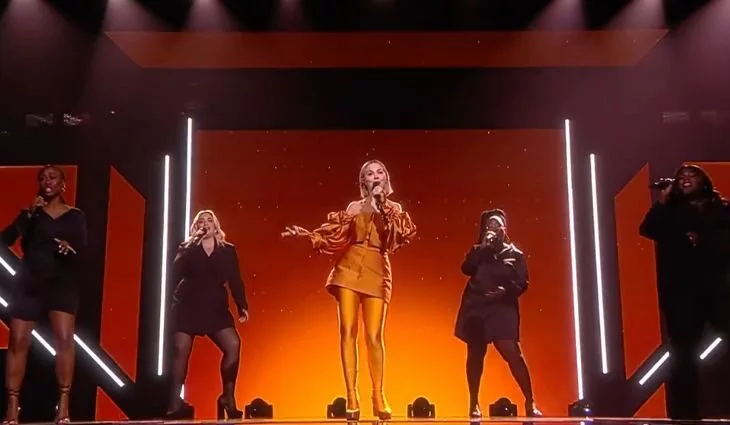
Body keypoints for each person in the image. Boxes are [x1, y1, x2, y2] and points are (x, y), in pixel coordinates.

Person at [282, 159, 416, 420]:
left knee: (374, 336)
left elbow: (395, 239)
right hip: (348, 269)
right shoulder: (354, 207)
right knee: (347, 331)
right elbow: (336, 237)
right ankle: (352, 396)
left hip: (377, 269)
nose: (375, 176)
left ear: (385, 178)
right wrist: (307, 235)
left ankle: (378, 395)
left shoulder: (395, 208)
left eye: (379, 172)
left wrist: (382, 206)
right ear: (363, 180)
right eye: (369, 174)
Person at [639, 164, 730, 419]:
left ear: (704, 181)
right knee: (682, 354)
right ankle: (684, 415)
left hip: (718, 289)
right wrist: (663, 201)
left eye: (692, 175)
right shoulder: (670, 210)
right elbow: (648, 229)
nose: (685, 179)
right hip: (681, 293)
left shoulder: (722, 209)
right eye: (681, 176)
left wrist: (705, 240)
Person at [1, 165, 87, 425]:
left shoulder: (75, 215)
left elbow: (84, 248)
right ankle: (12, 407)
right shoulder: (31, 214)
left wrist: (70, 247)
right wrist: (28, 214)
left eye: (52, 177)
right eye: (42, 178)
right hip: (30, 282)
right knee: (18, 341)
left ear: (63, 184)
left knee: (64, 340)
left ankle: (63, 406)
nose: (47, 181)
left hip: (61, 282)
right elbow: (6, 238)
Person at [454, 209, 541, 418]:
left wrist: (506, 292)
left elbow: (522, 282)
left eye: (496, 225)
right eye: (488, 226)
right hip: (477, 306)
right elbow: (466, 269)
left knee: (513, 354)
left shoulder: (515, 254)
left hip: (502, 307)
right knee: (475, 355)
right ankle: (474, 403)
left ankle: (530, 401)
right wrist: (482, 250)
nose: (492, 229)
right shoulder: (479, 250)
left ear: (504, 229)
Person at [166, 210, 249, 419]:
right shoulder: (187, 248)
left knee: (233, 345)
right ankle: (174, 404)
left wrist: (241, 305)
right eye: (201, 221)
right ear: (196, 227)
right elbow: (174, 273)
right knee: (181, 350)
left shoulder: (227, 250)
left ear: (216, 225)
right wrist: (189, 246)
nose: (206, 223)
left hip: (215, 307)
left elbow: (235, 279)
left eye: (209, 220)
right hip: (187, 305)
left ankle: (228, 398)